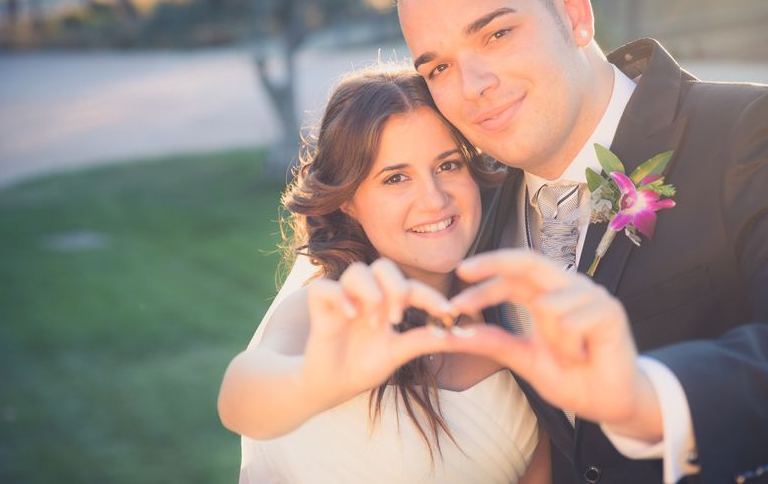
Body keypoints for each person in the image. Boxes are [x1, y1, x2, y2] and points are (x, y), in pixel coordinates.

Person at [391, 0, 768, 483]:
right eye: (439, 69)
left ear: (572, 13)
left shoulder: (753, 129)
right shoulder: (470, 212)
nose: (474, 86)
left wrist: (646, 399)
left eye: (496, 34)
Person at [217, 66, 551, 482]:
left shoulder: (510, 314)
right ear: (348, 202)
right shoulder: (330, 310)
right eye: (396, 178)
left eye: (448, 166)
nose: (434, 199)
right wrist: (316, 382)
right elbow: (241, 399)